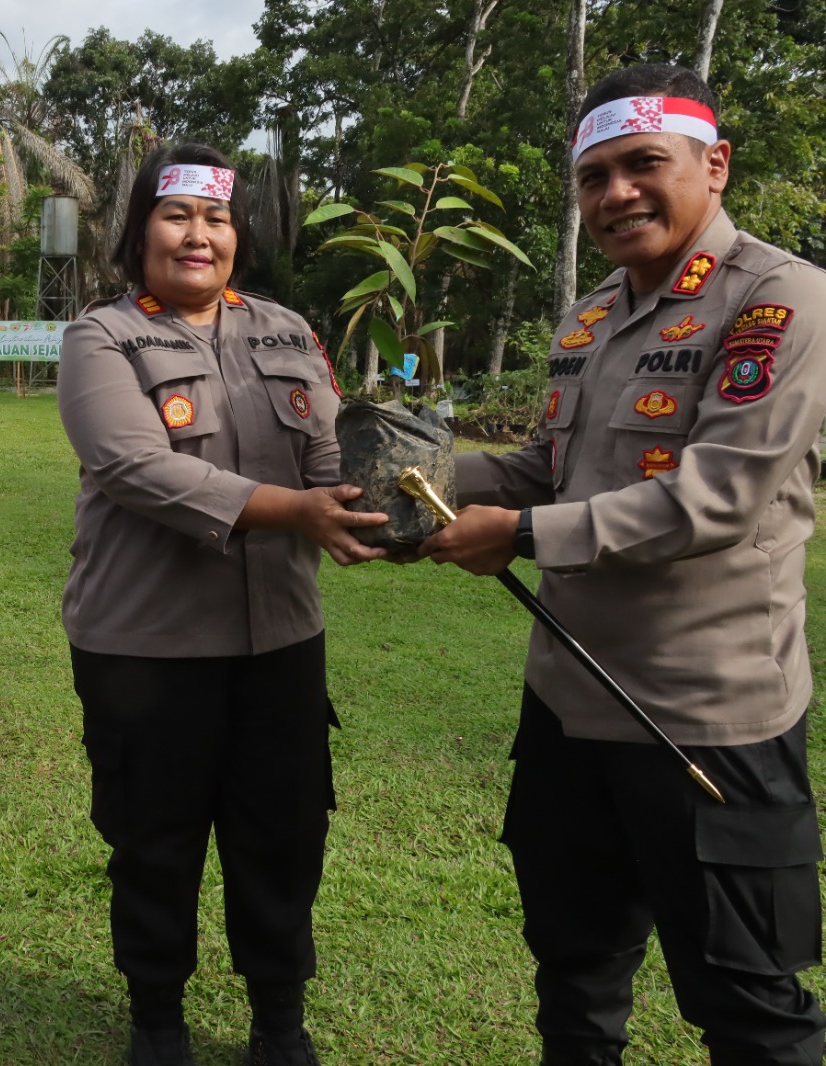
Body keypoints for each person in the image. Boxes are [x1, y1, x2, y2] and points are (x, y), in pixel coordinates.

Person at [420, 65, 826, 1065]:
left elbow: (715, 498)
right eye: (593, 176)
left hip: (703, 717)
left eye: (642, 165)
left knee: (748, 1002)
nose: (615, 195)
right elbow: (546, 466)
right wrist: (405, 471)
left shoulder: (782, 302)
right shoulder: (592, 314)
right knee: (574, 969)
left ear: (713, 165)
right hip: (568, 707)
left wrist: (512, 536)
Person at [57, 143, 388, 1066]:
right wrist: (300, 513)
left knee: (283, 838)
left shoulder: (286, 330)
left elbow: (328, 461)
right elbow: (134, 466)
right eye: (177, 216)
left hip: (280, 639)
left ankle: (279, 1026)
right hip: (146, 650)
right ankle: (157, 1022)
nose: (199, 236)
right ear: (139, 233)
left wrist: (390, 501)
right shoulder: (104, 336)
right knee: (153, 842)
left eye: (218, 219)